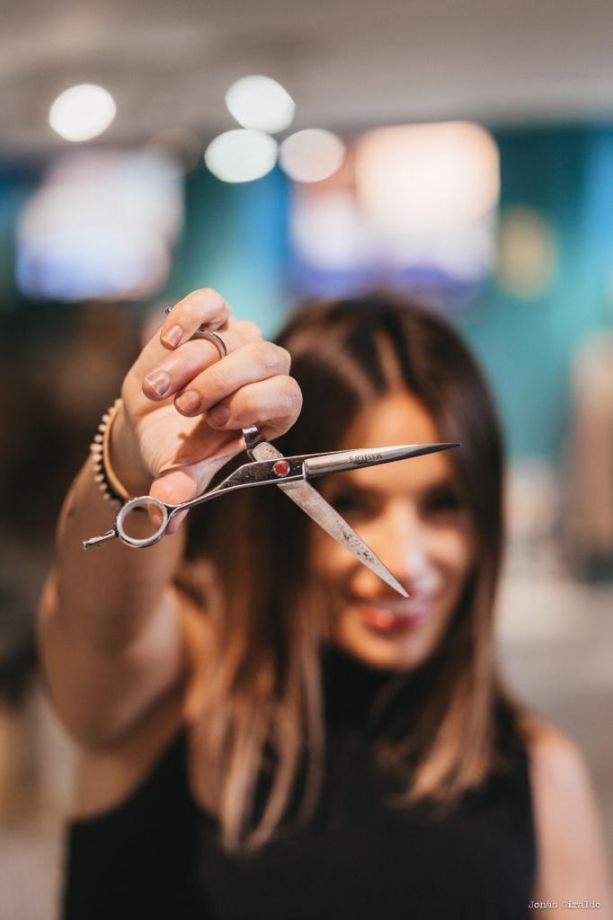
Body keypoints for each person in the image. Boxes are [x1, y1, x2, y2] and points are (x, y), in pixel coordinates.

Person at [38, 288, 611, 920]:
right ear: (274, 521)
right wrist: (129, 463)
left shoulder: (540, 776)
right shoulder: (169, 693)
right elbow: (102, 628)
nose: (405, 561)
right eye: (355, 503)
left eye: (443, 505)